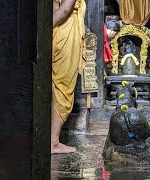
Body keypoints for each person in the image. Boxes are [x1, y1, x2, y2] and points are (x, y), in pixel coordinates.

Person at [52, 0, 86, 154]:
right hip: (66, 29)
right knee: (63, 87)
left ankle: (49, 138)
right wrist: (43, 28)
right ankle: (53, 142)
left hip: (56, 31)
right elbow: (66, 9)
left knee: (54, 84)